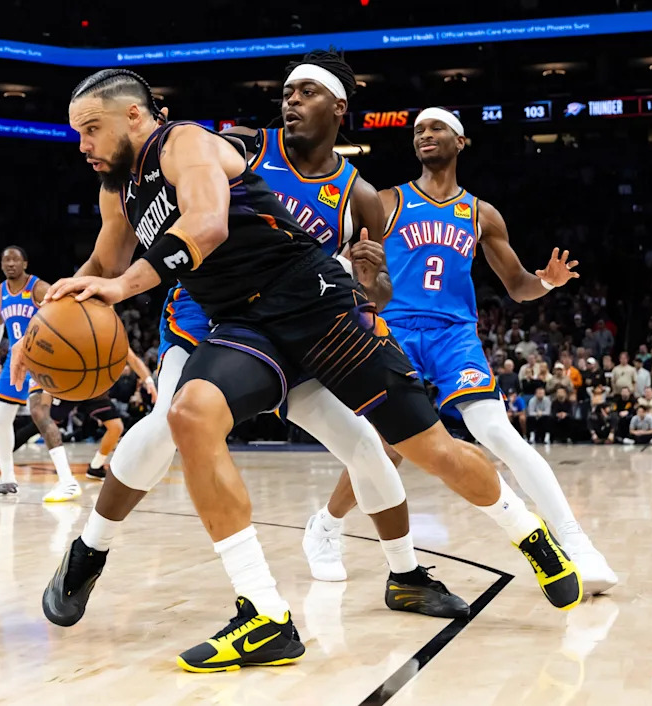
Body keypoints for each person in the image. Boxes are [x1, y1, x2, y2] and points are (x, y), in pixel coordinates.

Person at [28, 68, 581, 672]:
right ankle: (264, 614)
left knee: (428, 449)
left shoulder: (183, 142)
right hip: (242, 323)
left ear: (134, 115)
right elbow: (105, 262)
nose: (82, 144)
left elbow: (208, 224)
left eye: (91, 128)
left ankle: (526, 533)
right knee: (187, 414)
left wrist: (123, 285)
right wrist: (58, 307)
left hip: (315, 304)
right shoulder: (122, 187)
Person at [317, 106, 616, 593]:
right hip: (396, 329)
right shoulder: (389, 200)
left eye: (436, 128)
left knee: (497, 433)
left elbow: (517, 285)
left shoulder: (481, 213)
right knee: (385, 449)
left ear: (460, 141)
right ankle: (326, 526)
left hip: (455, 334)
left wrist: (546, 282)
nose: (425, 134)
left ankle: (577, 544)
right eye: (419, 130)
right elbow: (351, 258)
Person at [0, 246, 134, 501]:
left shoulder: (39, 288)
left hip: (42, 359)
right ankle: (7, 480)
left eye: (15, 259)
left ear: (25, 263)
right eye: (6, 260)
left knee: (39, 413)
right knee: (1, 419)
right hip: (15, 361)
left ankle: (67, 481)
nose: (10, 264)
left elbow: (64, 314)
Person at [0, 349, 157, 482]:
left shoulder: (112, 333)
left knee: (116, 427)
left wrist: (149, 381)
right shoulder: (80, 328)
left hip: (93, 390)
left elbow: (133, 359)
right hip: (70, 385)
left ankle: (96, 467)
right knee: (38, 425)